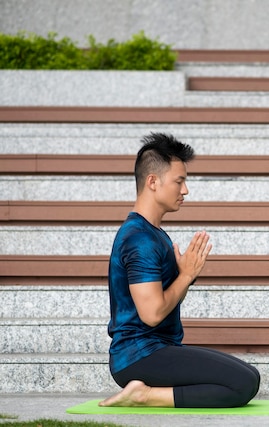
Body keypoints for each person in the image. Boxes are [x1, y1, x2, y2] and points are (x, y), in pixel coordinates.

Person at [99, 133, 260, 408]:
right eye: (179, 181)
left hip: (156, 349)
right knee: (242, 384)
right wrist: (185, 275)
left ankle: (146, 391)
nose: (185, 190)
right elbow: (152, 314)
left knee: (250, 375)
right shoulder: (140, 239)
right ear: (153, 181)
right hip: (138, 356)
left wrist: (187, 275)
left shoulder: (152, 233)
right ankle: (144, 395)